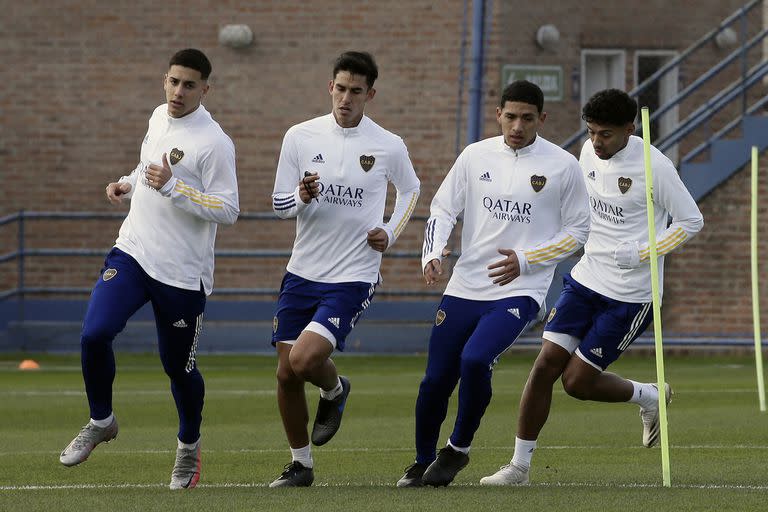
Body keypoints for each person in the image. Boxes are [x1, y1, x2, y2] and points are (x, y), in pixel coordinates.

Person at [480, 88, 704, 486]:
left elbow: (690, 222)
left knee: (577, 383)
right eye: (591, 132)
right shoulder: (586, 153)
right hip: (586, 278)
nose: (596, 142)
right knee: (545, 364)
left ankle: (648, 396)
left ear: (629, 130)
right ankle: (519, 467)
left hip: (632, 295)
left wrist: (642, 252)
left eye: (606, 134)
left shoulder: (656, 166)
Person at [59, 49, 239, 490]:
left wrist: (175, 187)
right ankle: (102, 420)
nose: (178, 92)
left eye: (189, 85)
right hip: (134, 251)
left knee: (177, 369)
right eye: (173, 81)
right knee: (94, 333)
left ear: (205, 89)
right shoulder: (158, 116)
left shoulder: (215, 142)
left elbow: (229, 209)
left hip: (181, 274)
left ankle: (188, 448)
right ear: (165, 81)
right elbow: (148, 166)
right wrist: (129, 181)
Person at [396, 80, 591, 488]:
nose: (517, 125)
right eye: (511, 116)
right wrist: (432, 253)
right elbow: (444, 207)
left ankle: (458, 450)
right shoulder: (474, 155)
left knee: (475, 359)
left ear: (542, 118)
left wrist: (527, 259)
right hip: (466, 284)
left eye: (527, 117)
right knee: (435, 380)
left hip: (521, 290)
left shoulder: (562, 165)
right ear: (498, 114)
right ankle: (421, 460)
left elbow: (579, 232)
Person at [269, 51, 420, 488]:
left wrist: (390, 232)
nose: (346, 98)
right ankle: (301, 465)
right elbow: (279, 206)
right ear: (329, 88)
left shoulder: (388, 144)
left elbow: (410, 190)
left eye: (356, 91)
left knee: (304, 359)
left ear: (370, 94)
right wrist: (300, 195)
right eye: (340, 88)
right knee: (285, 373)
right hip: (302, 271)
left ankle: (334, 389)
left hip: (354, 274)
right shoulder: (300, 136)